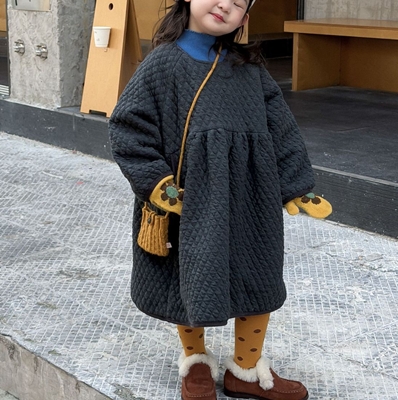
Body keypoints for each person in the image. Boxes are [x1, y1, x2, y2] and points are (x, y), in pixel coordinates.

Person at [109, 0, 332, 399]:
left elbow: (281, 127)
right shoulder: (162, 64)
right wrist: (157, 182)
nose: (225, 4)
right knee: (192, 276)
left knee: (259, 274)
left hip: (251, 195)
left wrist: (296, 183)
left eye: (238, 2)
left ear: (244, 18)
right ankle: (195, 360)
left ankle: (245, 369)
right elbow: (128, 127)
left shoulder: (250, 68)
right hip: (190, 199)